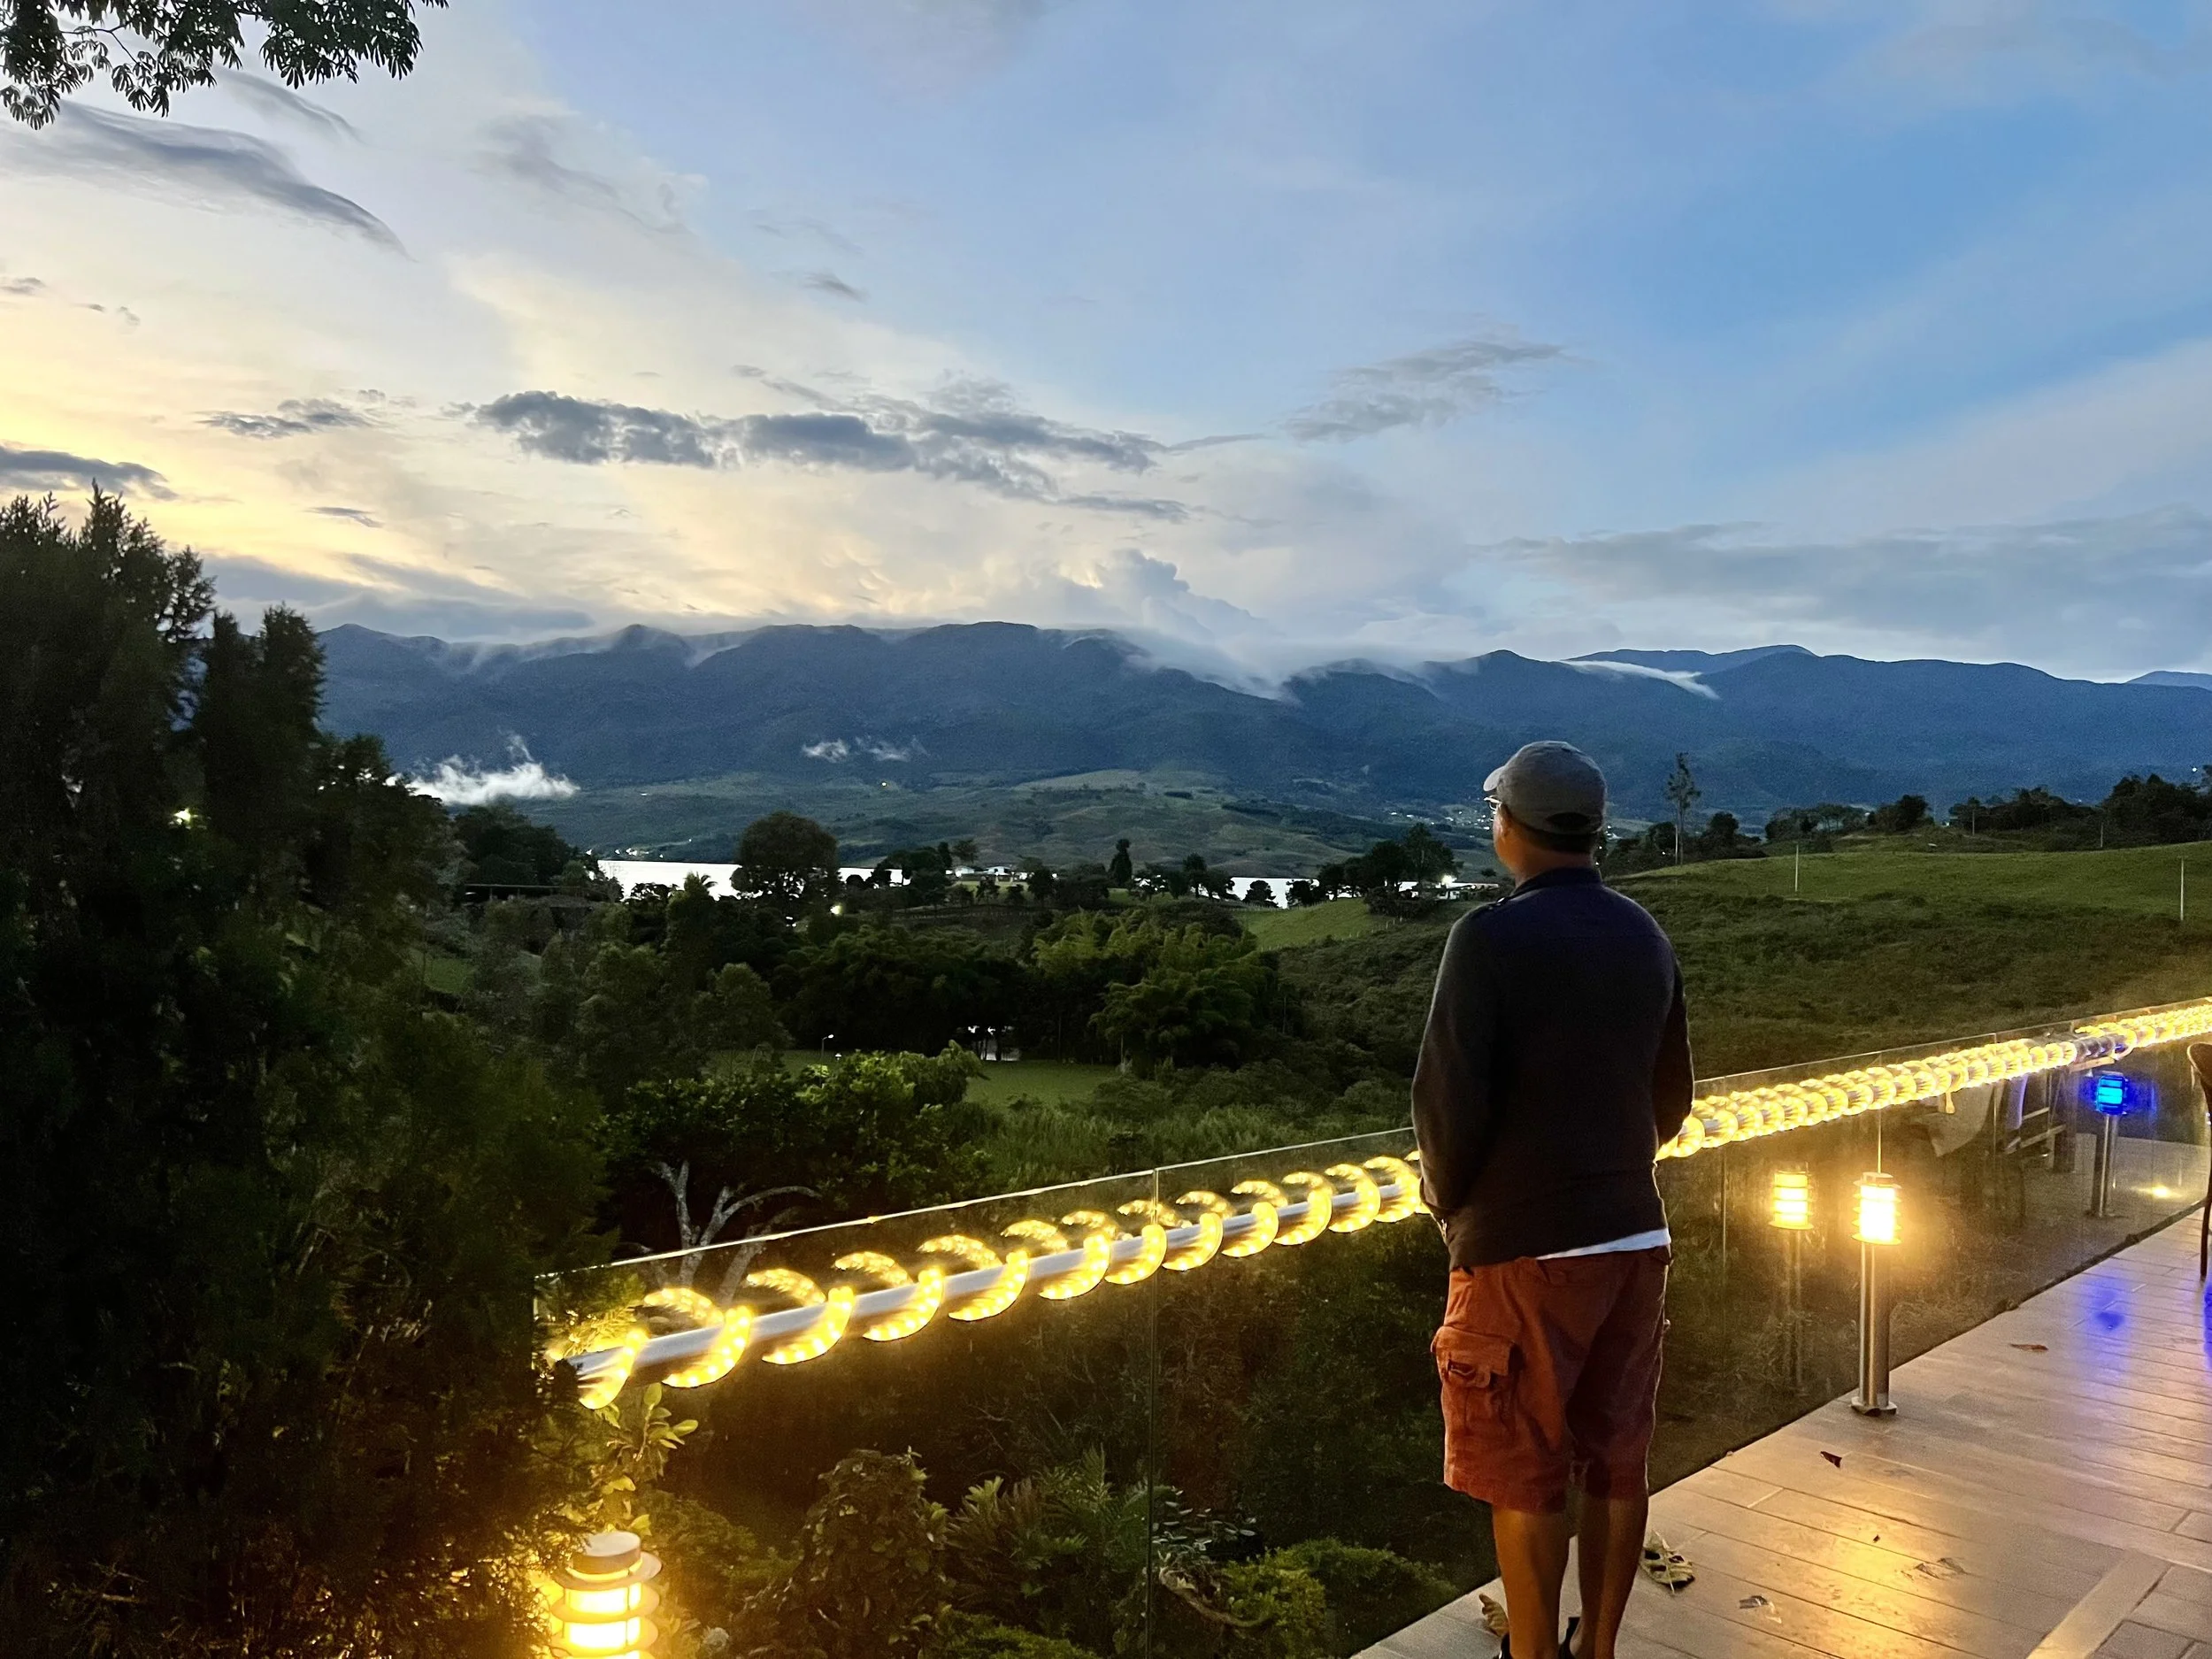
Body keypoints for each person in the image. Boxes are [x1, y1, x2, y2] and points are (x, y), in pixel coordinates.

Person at [1412, 741, 1693, 1659]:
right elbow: (1671, 1101)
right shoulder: (1644, 934)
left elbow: (1446, 1105)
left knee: (1523, 1469)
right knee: (1617, 1457)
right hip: (1634, 1236)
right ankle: (1596, 1648)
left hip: (1523, 1248)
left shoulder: (1487, 938)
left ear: (1509, 826)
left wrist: (1450, 1206)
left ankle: (1532, 1652)